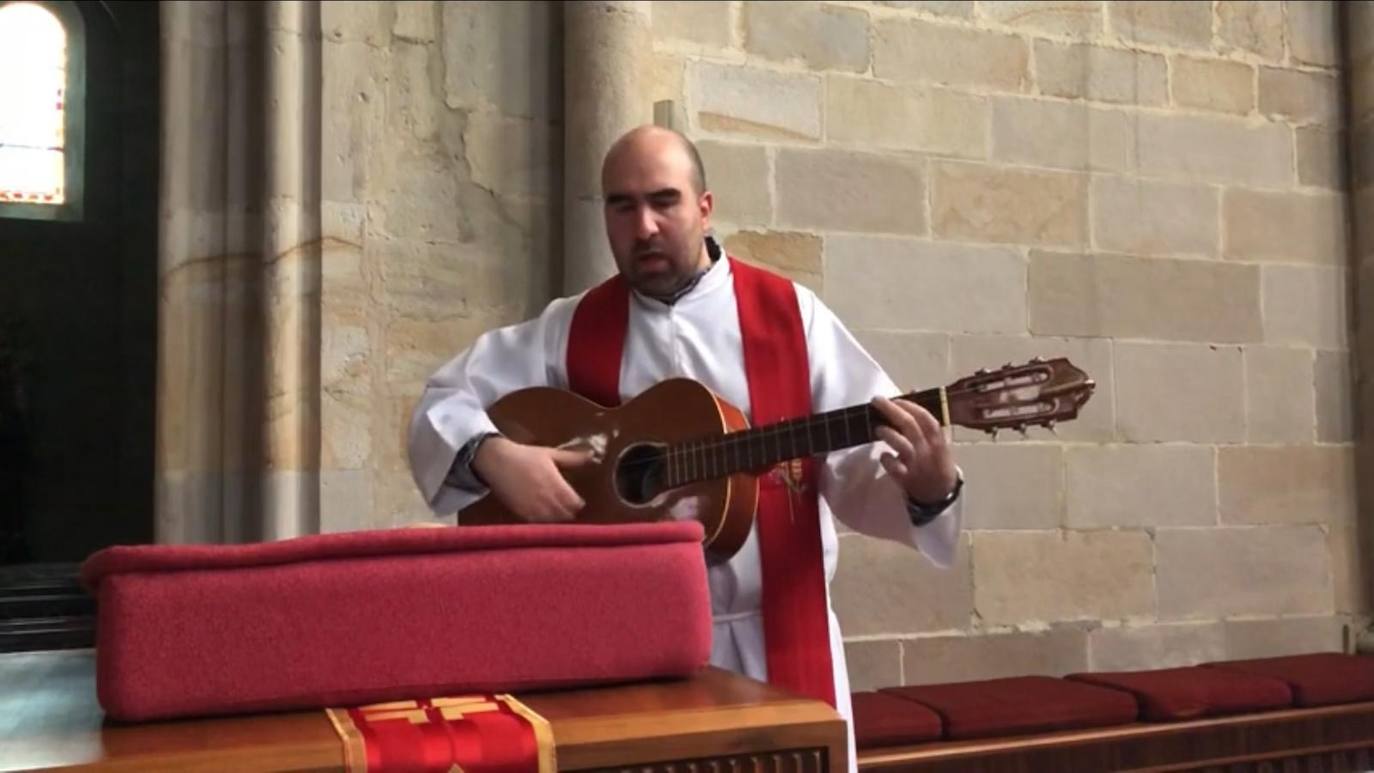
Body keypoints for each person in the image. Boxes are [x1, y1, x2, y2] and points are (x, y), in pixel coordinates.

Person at [407, 125, 964, 766]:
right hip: (622, 657)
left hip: (776, 645)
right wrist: (494, 456)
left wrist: (928, 489)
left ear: (704, 207)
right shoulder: (569, 328)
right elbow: (441, 402)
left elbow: (864, 468)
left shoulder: (790, 316)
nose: (643, 225)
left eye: (663, 201)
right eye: (622, 205)